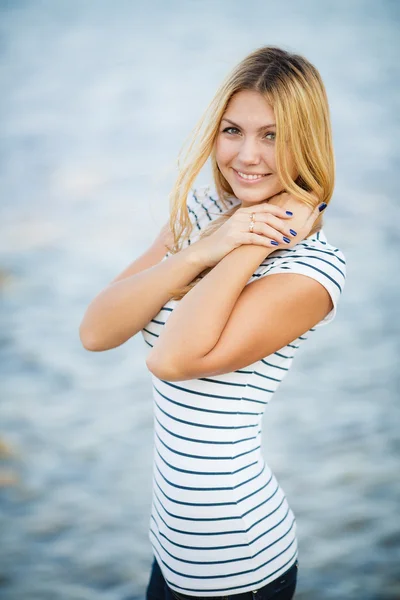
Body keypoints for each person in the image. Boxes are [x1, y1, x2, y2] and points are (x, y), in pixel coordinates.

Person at [79, 46, 346, 600]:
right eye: (233, 130)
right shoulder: (202, 213)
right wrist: (208, 247)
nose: (247, 155)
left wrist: (250, 242)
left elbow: (171, 360)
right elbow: (96, 331)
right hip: (172, 552)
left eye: (272, 135)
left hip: (236, 566)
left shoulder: (313, 271)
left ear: (307, 139)